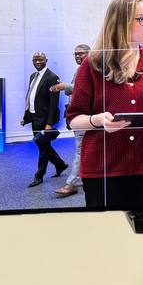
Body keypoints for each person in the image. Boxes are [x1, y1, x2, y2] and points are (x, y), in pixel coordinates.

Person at [65, 0, 143, 208]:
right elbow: (73, 119)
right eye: (141, 19)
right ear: (120, 24)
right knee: (107, 227)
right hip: (103, 168)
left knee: (141, 226)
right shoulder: (92, 64)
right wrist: (98, 120)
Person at [22, 51, 68, 187]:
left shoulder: (52, 77)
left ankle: (39, 176)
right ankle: (60, 164)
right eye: (35, 59)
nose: (37, 62)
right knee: (44, 146)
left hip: (44, 120)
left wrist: (49, 124)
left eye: (40, 60)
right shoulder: (33, 76)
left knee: (43, 149)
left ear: (46, 60)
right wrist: (25, 117)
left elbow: (54, 103)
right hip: (34, 118)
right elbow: (30, 97)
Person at [51, 43, 90, 196]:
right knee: (83, 150)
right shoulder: (81, 69)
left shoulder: (90, 68)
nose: (77, 56)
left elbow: (84, 89)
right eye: (75, 54)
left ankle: (72, 183)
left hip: (85, 116)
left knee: (80, 150)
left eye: (81, 53)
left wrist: (64, 86)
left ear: (89, 54)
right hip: (79, 116)